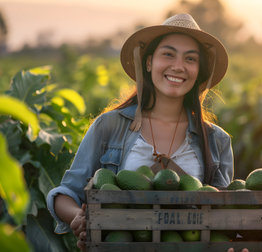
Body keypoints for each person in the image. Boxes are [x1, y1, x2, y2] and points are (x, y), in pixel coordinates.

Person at [46, 13, 234, 250]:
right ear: (148, 62)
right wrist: (77, 217)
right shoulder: (109, 126)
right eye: (168, 54)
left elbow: (227, 215)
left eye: (190, 59)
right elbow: (65, 193)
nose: (178, 66)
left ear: (199, 71)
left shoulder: (216, 140)